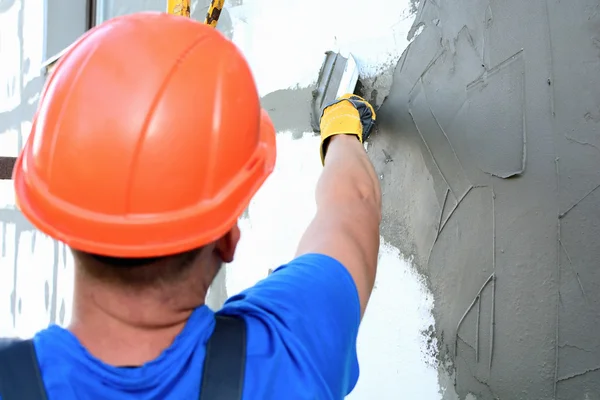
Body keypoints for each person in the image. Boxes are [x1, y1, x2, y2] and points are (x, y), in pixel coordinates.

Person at [1, 11, 381, 400]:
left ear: (62, 222)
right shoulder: (291, 350)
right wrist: (341, 132)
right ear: (228, 240)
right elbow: (352, 208)